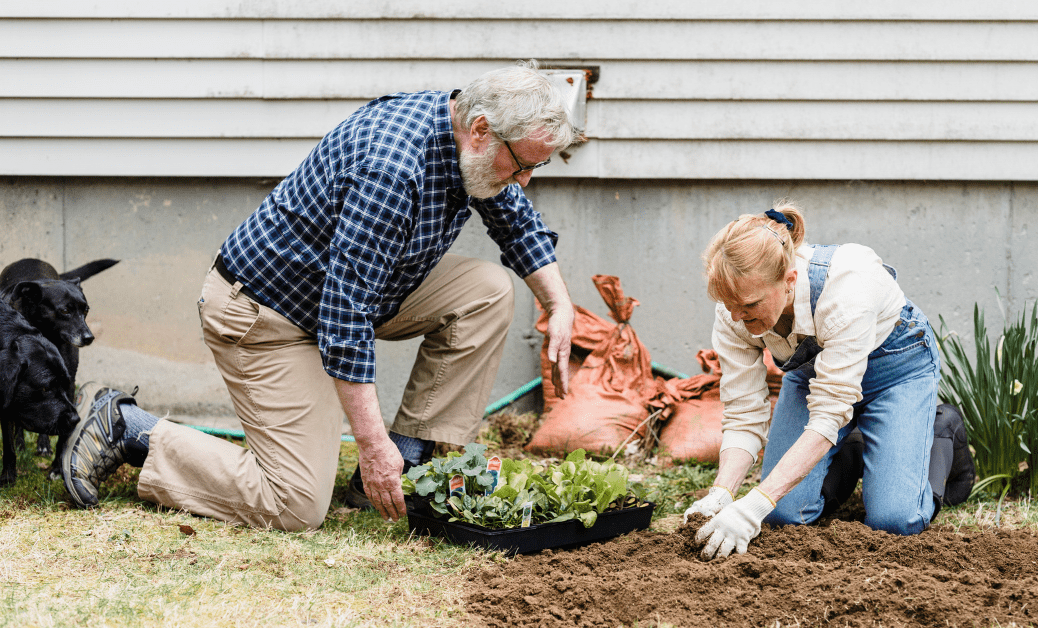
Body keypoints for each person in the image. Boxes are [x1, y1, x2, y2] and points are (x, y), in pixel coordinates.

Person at [60, 61, 583, 531]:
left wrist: (558, 304)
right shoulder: (392, 169)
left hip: (352, 292)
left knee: (486, 292)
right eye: (520, 166)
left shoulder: (469, 133)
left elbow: (514, 219)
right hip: (267, 318)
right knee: (295, 505)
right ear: (480, 132)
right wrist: (371, 444)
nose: (525, 181)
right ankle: (128, 427)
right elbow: (345, 317)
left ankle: (411, 462)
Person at [684, 199, 973, 560]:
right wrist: (723, 494)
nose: (738, 317)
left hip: (896, 371)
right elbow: (744, 413)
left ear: (788, 281)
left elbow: (827, 416)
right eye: (729, 305)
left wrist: (752, 505)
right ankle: (852, 449)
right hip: (817, 379)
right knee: (782, 515)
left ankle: (942, 432)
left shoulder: (846, 289)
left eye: (750, 305)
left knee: (895, 520)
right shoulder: (735, 309)